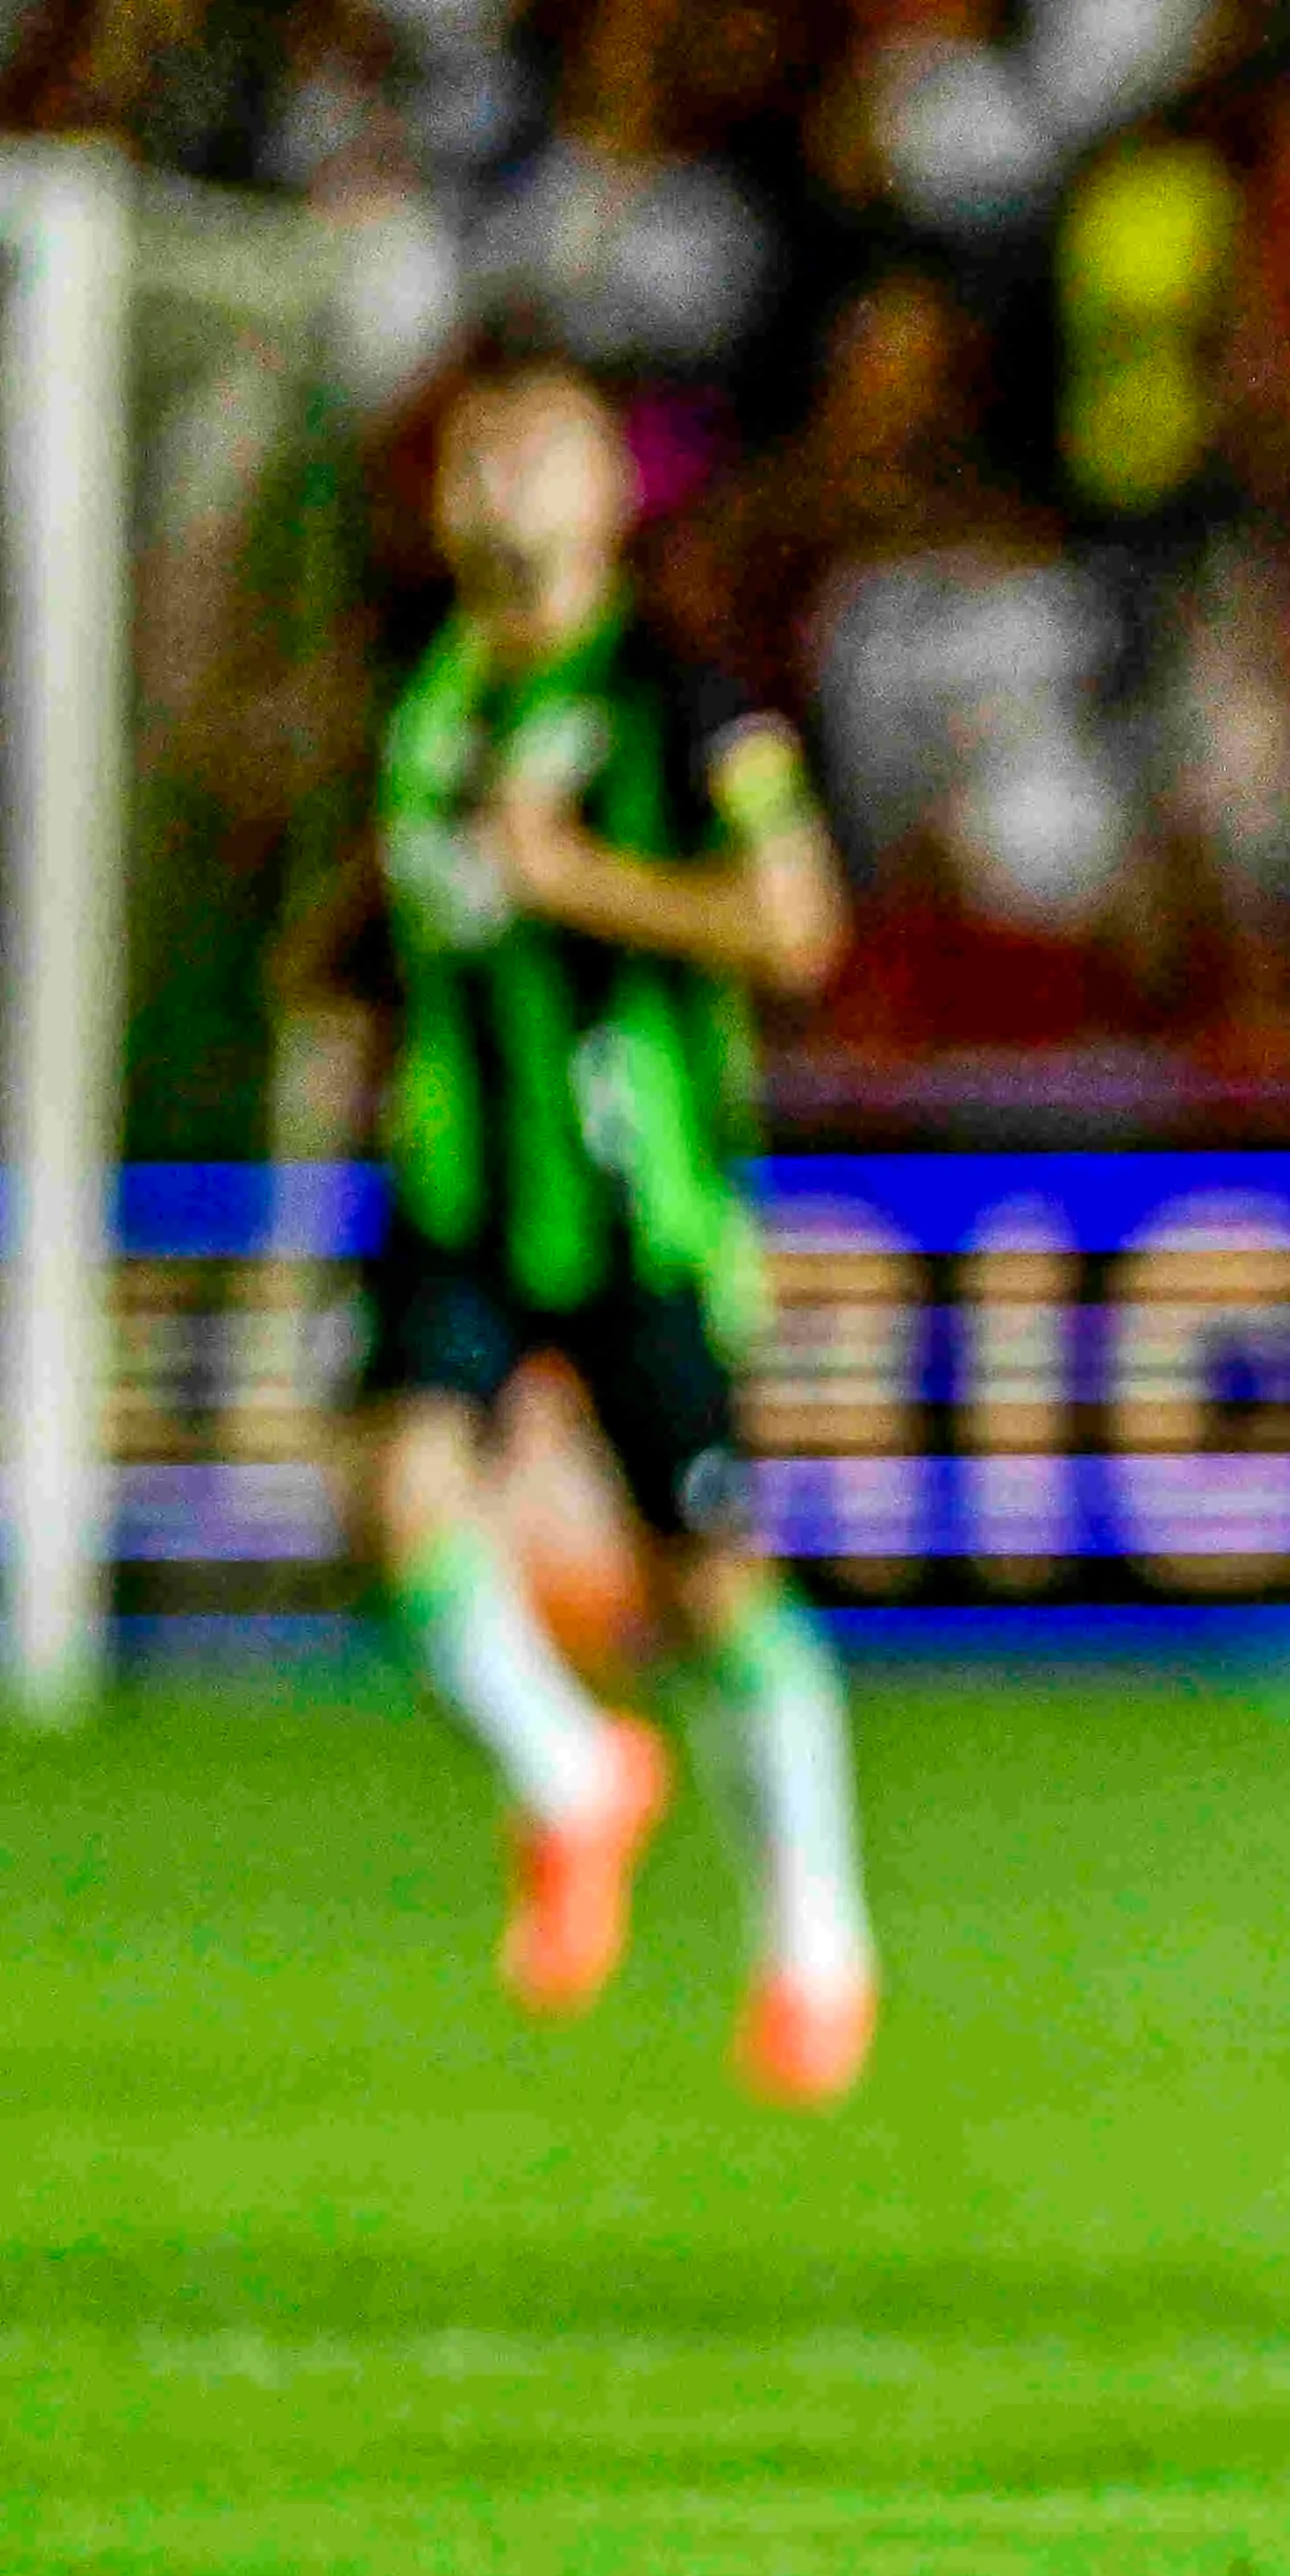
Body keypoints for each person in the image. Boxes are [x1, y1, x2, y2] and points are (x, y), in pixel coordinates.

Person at [352, 351, 879, 2108]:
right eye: (471, 456)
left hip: (645, 1201)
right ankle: (574, 1778)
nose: (495, 480)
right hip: (463, 1188)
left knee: (710, 1583)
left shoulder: (683, 695)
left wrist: (582, 880)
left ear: (606, 498)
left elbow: (798, 927)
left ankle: (815, 1940)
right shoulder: (419, 693)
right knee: (394, 1491)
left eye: (535, 453)